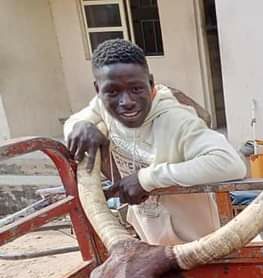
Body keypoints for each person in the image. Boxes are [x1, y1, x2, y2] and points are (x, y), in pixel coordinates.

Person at [65, 39, 247, 245]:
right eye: (113, 92)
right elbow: (73, 122)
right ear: (98, 90)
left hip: (198, 243)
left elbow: (230, 163)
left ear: (151, 84)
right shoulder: (103, 107)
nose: (127, 102)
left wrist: (147, 179)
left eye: (136, 89)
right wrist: (80, 125)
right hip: (150, 241)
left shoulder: (177, 120)